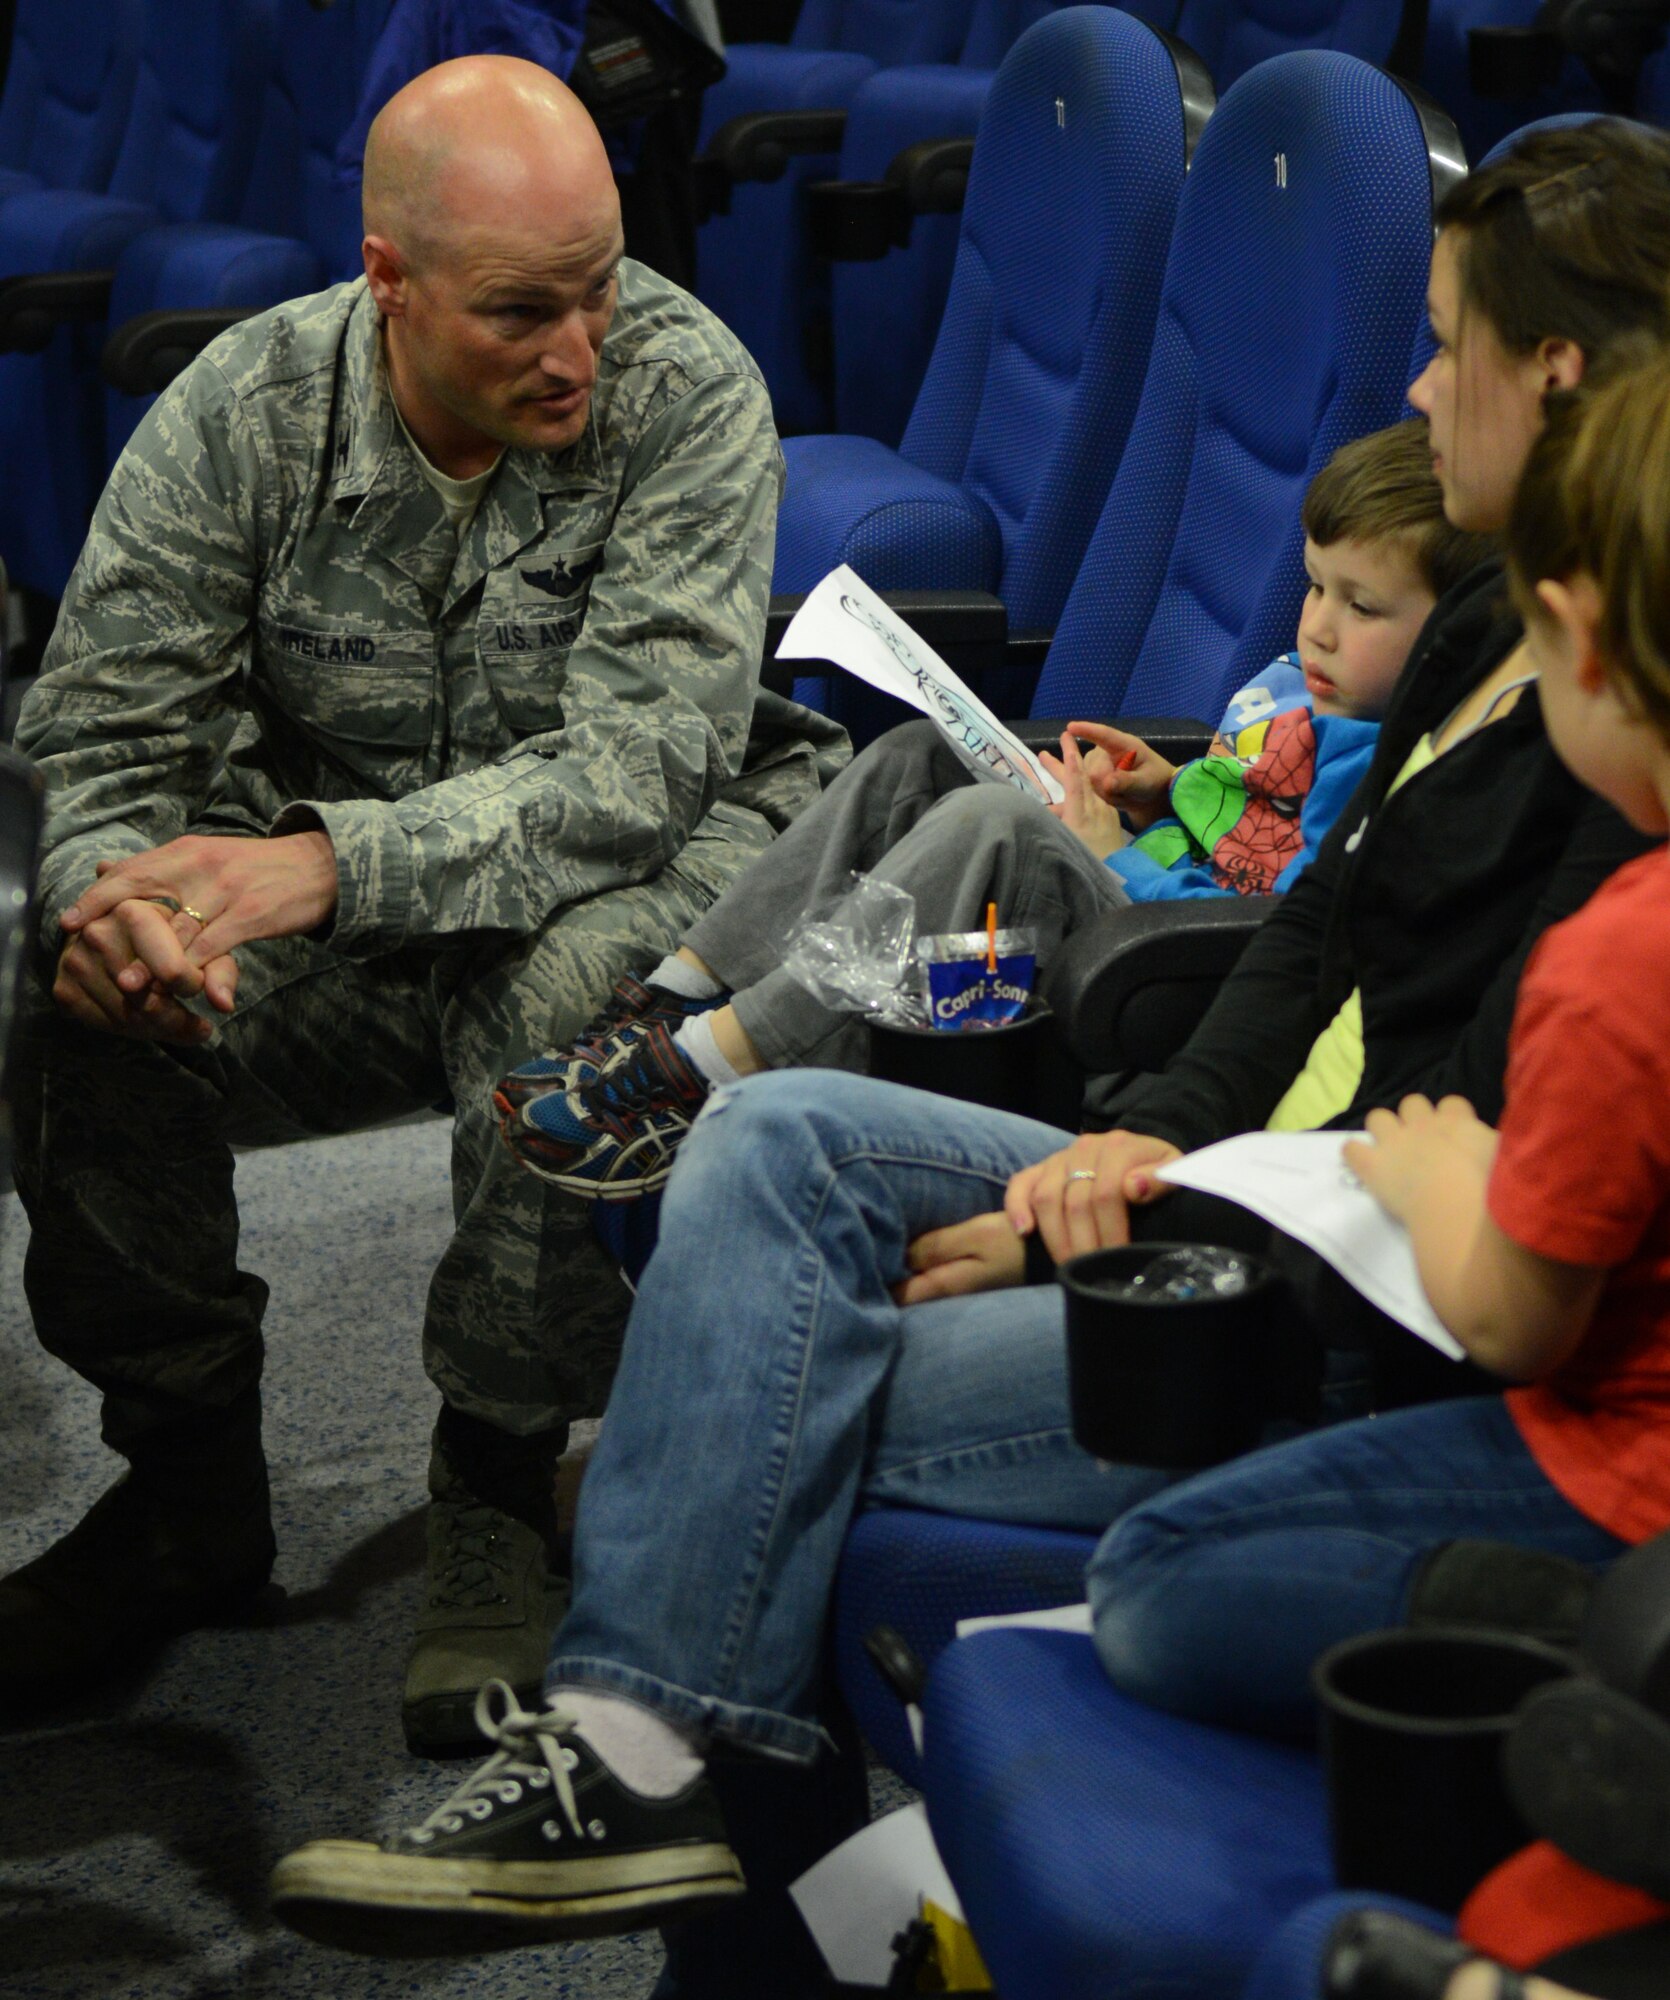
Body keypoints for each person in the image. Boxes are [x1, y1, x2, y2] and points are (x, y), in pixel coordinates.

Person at [267, 119, 1670, 1990]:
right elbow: (1317, 928)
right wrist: (1136, 1142)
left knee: (748, 1413)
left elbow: (1475, 1174)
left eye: (1443, 343)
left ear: (1552, 370)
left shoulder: (1610, 763)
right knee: (771, 1155)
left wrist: (1137, 1216)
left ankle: (677, 1806)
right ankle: (659, 1770)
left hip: (1345, 1290)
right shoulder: (1491, 613)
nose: (1414, 387)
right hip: (1251, 1178)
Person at [2, 55, 845, 1752]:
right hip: (354, 927)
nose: (579, 350)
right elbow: (101, 736)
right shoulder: (248, 408)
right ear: (388, 279)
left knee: (563, 998)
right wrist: (113, 907)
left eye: (599, 288)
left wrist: (327, 865)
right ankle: (188, 1486)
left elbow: (639, 766)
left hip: (632, 870)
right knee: (73, 1003)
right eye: (522, 311)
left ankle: (496, 1480)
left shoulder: (686, 388)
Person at [1086, 341, 1670, 1733]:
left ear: (1575, 638)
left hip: (1611, 1471)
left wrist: (1435, 1178)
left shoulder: (1616, 955)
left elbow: (1513, 1321)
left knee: (1151, 1575)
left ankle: (1599, 1653)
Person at [497, 417, 1491, 1202]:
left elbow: (1281, 928)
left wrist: (1113, 851)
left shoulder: (1398, 761)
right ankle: (676, 993)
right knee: (917, 756)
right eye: (1313, 587)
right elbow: (1242, 807)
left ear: (1457, 626)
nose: (1318, 627)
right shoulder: (1299, 685)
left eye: (1362, 608)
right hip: (1146, 876)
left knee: (997, 826)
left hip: (1170, 967)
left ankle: (701, 1068)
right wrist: (1168, 789)